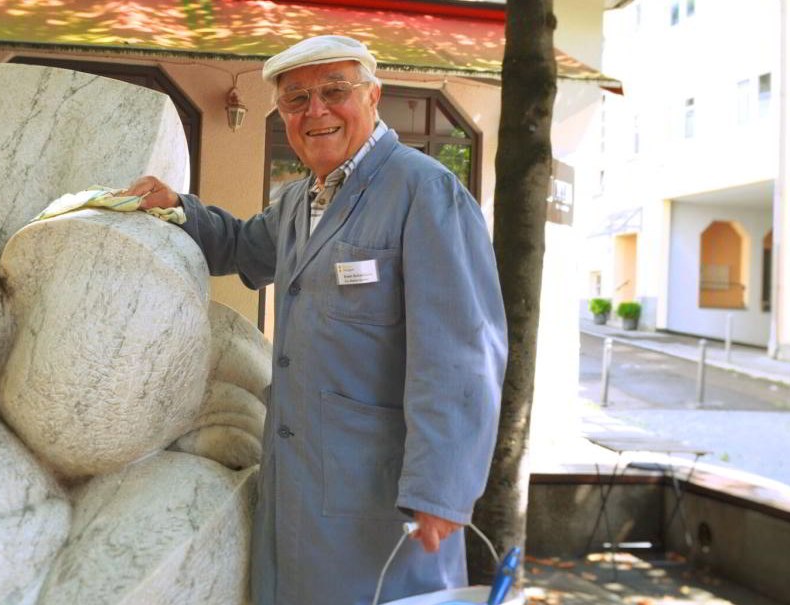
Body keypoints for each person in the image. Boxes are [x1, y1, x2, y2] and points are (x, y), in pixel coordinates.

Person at [126, 35, 507, 605]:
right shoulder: (298, 199)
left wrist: (442, 489)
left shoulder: (424, 190)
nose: (316, 111)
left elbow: (462, 350)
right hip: (300, 478)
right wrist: (177, 207)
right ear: (282, 114)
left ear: (373, 95)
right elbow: (243, 249)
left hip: (383, 495)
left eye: (335, 91)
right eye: (297, 99)